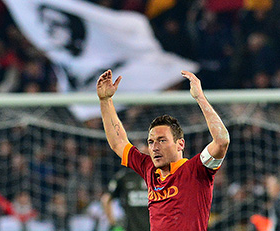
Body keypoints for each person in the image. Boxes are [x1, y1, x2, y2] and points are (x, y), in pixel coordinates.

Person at [97, 70, 230, 230]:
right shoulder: (149, 168)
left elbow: (222, 141)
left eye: (162, 141)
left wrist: (200, 98)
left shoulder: (197, 169)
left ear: (180, 144)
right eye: (151, 142)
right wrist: (105, 100)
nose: (154, 147)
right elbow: (118, 142)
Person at [101, 151, 150, 231]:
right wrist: (113, 223)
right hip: (130, 228)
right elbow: (106, 199)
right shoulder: (124, 177)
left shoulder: (157, 174)